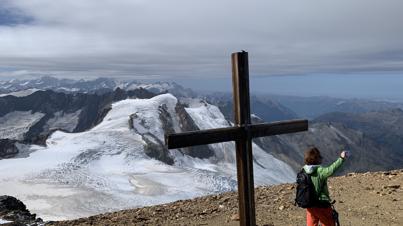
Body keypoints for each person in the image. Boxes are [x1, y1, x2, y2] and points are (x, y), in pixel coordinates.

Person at [303, 147, 348, 226]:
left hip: (309, 205)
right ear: (317, 159)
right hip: (322, 205)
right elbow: (331, 169)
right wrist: (341, 158)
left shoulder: (303, 171)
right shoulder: (320, 171)